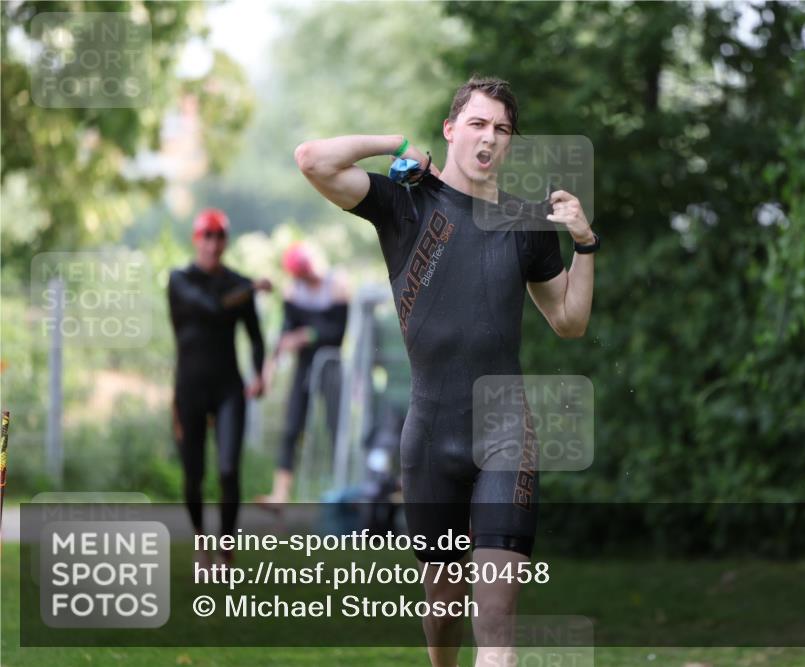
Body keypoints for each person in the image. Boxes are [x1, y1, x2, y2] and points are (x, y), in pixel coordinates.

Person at [295, 76, 598, 667]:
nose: (490, 139)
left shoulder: (525, 223)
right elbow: (312, 159)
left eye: (503, 129)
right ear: (451, 129)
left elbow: (569, 321)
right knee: (442, 600)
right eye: (479, 124)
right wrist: (394, 144)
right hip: (430, 433)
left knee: (497, 629)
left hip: (505, 431)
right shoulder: (406, 203)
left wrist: (585, 245)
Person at [167, 208, 270, 565]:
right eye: (206, 236)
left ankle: (226, 550)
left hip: (228, 388)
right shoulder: (180, 281)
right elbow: (209, 308)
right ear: (196, 240)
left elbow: (256, 338)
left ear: (225, 242)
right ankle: (200, 543)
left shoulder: (237, 283)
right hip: (189, 390)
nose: (212, 244)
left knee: (228, 469)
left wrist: (259, 373)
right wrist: (251, 289)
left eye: (218, 236)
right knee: (193, 475)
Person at [256, 243, 350, 508]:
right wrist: (269, 369)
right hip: (304, 366)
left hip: (330, 365)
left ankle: (342, 489)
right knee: (291, 426)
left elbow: (337, 333)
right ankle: (280, 494)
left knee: (336, 428)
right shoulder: (293, 292)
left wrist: (305, 336)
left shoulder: (337, 285)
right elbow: (284, 334)